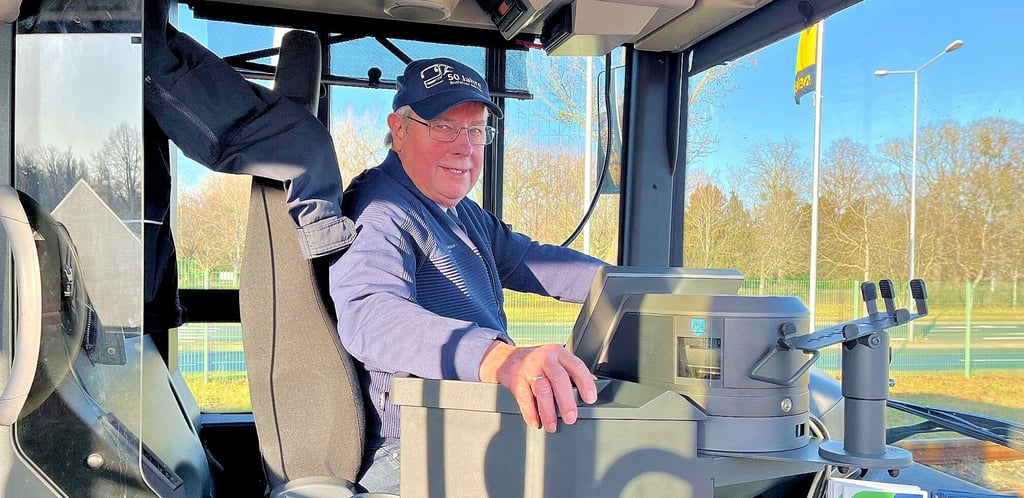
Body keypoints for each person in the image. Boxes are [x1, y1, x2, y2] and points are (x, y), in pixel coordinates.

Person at [329, 57, 607, 493]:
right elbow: (370, 316)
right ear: (399, 129)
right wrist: (501, 359)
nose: (465, 147)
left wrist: (639, 287)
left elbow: (539, 263)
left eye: (476, 131)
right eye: (444, 127)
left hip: (472, 421)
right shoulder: (382, 210)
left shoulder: (462, 214)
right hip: (418, 444)